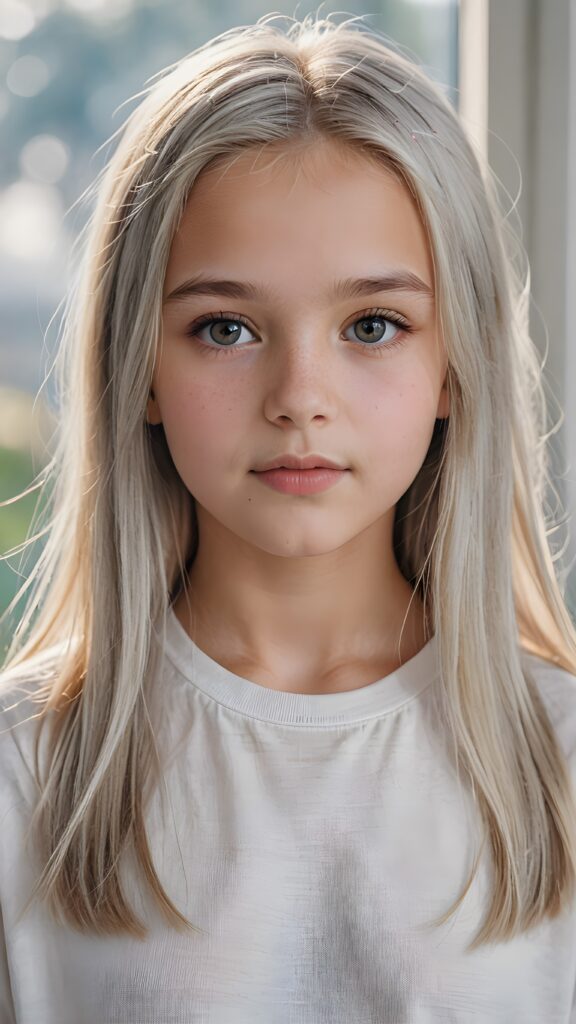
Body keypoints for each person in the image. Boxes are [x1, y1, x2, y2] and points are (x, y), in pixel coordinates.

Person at [1, 12, 576, 1023]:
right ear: (139, 366)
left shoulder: (562, 759)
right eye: (225, 328)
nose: (300, 395)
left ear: (455, 363)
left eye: (372, 326)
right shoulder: (22, 774)